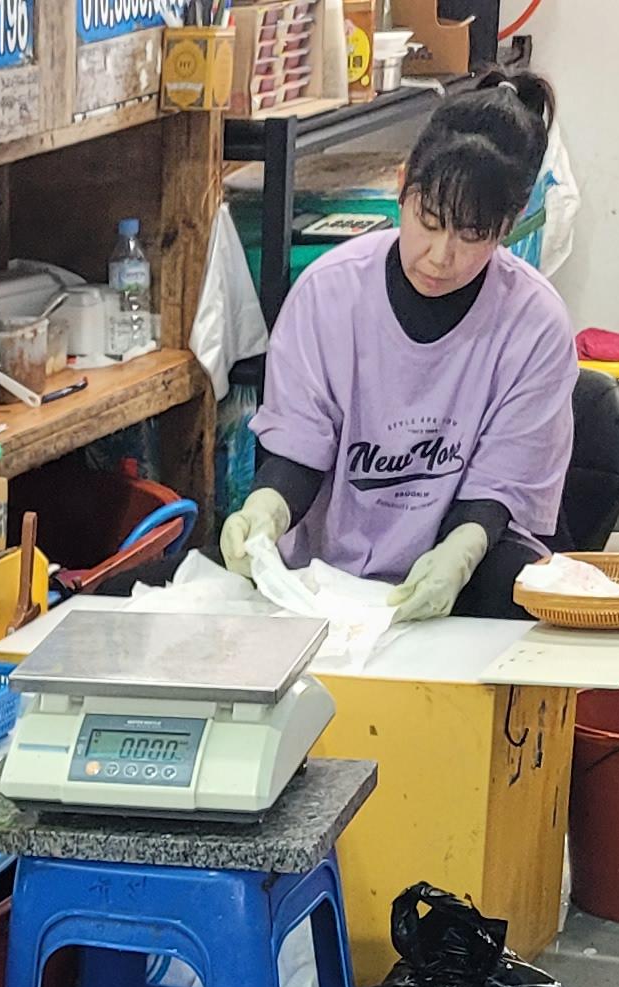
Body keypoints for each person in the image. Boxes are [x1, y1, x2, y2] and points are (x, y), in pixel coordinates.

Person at [218, 73, 575, 625]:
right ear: (403, 185)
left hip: (468, 574)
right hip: (331, 577)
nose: (440, 255)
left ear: (508, 225)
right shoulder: (329, 295)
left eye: (472, 235)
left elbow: (499, 491)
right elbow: (297, 452)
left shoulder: (535, 325)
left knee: (513, 592)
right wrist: (265, 511)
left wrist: (458, 556)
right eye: (428, 221)